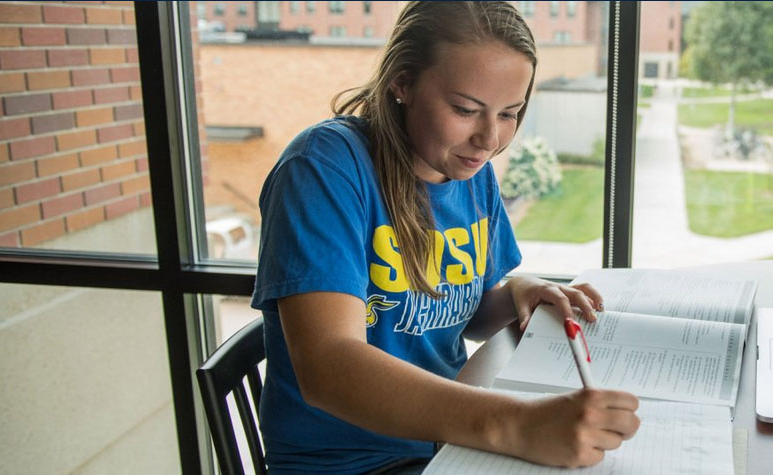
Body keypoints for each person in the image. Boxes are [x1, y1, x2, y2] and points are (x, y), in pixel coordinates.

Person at [250, 2, 640, 473]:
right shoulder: (323, 169)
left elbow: (459, 311)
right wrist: (517, 425)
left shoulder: (468, 170)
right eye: (465, 109)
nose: (490, 139)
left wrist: (516, 293)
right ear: (402, 82)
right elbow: (329, 368)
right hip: (352, 463)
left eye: (510, 113)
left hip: (443, 444)